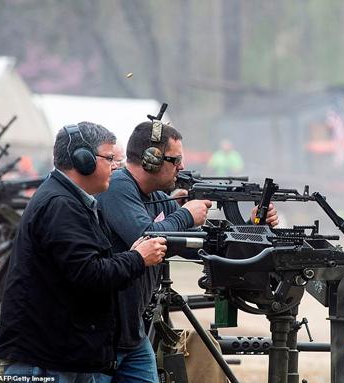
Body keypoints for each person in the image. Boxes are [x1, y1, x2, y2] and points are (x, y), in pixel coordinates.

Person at [96, 120, 278, 383]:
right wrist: (185, 214)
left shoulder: (154, 196)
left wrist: (252, 227)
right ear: (151, 159)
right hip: (105, 331)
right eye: (175, 159)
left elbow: (192, 245)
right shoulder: (118, 187)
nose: (181, 167)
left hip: (131, 331)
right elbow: (146, 236)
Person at [0, 122, 168, 382]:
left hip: (61, 354)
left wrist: (131, 257)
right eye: (109, 158)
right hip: (45, 361)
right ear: (83, 160)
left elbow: (86, 266)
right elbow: (90, 274)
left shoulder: (72, 201)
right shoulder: (61, 205)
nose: (115, 165)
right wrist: (137, 259)